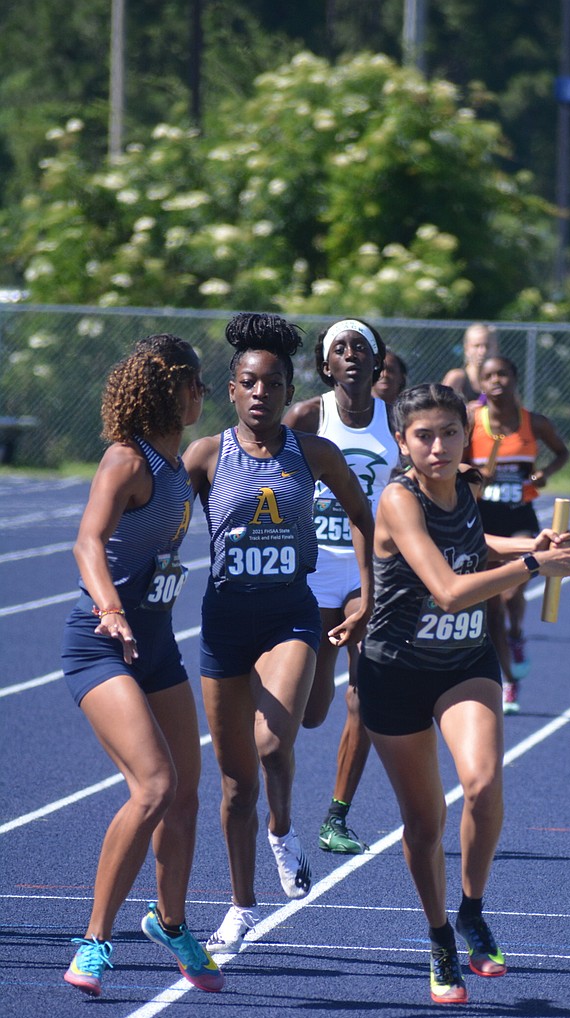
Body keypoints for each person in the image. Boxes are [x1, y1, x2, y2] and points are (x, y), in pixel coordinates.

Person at [357, 382, 570, 1005]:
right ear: (404, 444)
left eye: (449, 433)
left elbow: (474, 545)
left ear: (468, 436)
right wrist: (536, 569)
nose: (438, 447)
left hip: (464, 660)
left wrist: (532, 545)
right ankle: (438, 939)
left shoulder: (466, 486)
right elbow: (448, 589)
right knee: (425, 820)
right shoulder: (398, 501)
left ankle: (471, 910)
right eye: (423, 437)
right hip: (396, 670)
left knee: (484, 784)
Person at [183, 313, 373, 955]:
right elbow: (161, 517)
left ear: (291, 393)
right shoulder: (206, 456)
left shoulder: (313, 454)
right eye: (248, 382)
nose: (260, 392)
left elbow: (365, 516)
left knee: (272, 741)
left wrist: (369, 590)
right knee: (234, 783)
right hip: (225, 627)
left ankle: (284, 828)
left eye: (272, 383)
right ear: (232, 391)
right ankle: (241, 905)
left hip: (291, 618)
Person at [61, 335, 223, 997]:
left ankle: (171, 920)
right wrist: (109, 606)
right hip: (101, 645)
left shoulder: (179, 461)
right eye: (195, 385)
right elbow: (88, 540)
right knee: (153, 786)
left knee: (185, 792)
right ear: (167, 388)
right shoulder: (126, 461)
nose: (201, 396)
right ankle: (95, 942)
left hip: (156, 646)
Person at [284, 319, 394, 856]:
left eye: (360, 348)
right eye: (339, 349)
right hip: (311, 567)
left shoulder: (396, 423)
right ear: (326, 365)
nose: (350, 355)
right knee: (312, 711)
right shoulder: (307, 416)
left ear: (377, 363)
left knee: (368, 692)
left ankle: (336, 817)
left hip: (368, 567)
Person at [466, 354, 569, 713]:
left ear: (514, 378)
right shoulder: (469, 420)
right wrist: (476, 477)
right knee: (490, 604)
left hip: (520, 517)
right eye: (489, 376)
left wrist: (544, 474)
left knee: (511, 595)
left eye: (503, 374)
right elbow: (457, 463)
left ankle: (516, 634)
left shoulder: (532, 422)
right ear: (481, 383)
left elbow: (562, 453)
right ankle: (508, 679)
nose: (497, 381)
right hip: (482, 521)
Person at [442, 322, 499, 403]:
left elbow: (517, 411)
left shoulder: (500, 380)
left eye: (487, 346)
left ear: (496, 348)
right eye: (476, 346)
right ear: (466, 349)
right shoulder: (457, 377)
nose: (482, 351)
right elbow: (440, 409)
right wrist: (466, 410)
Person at [372, 347, 408, 419]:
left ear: (401, 377)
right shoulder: (356, 410)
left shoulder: (410, 412)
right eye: (379, 370)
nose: (384, 375)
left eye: (391, 370)